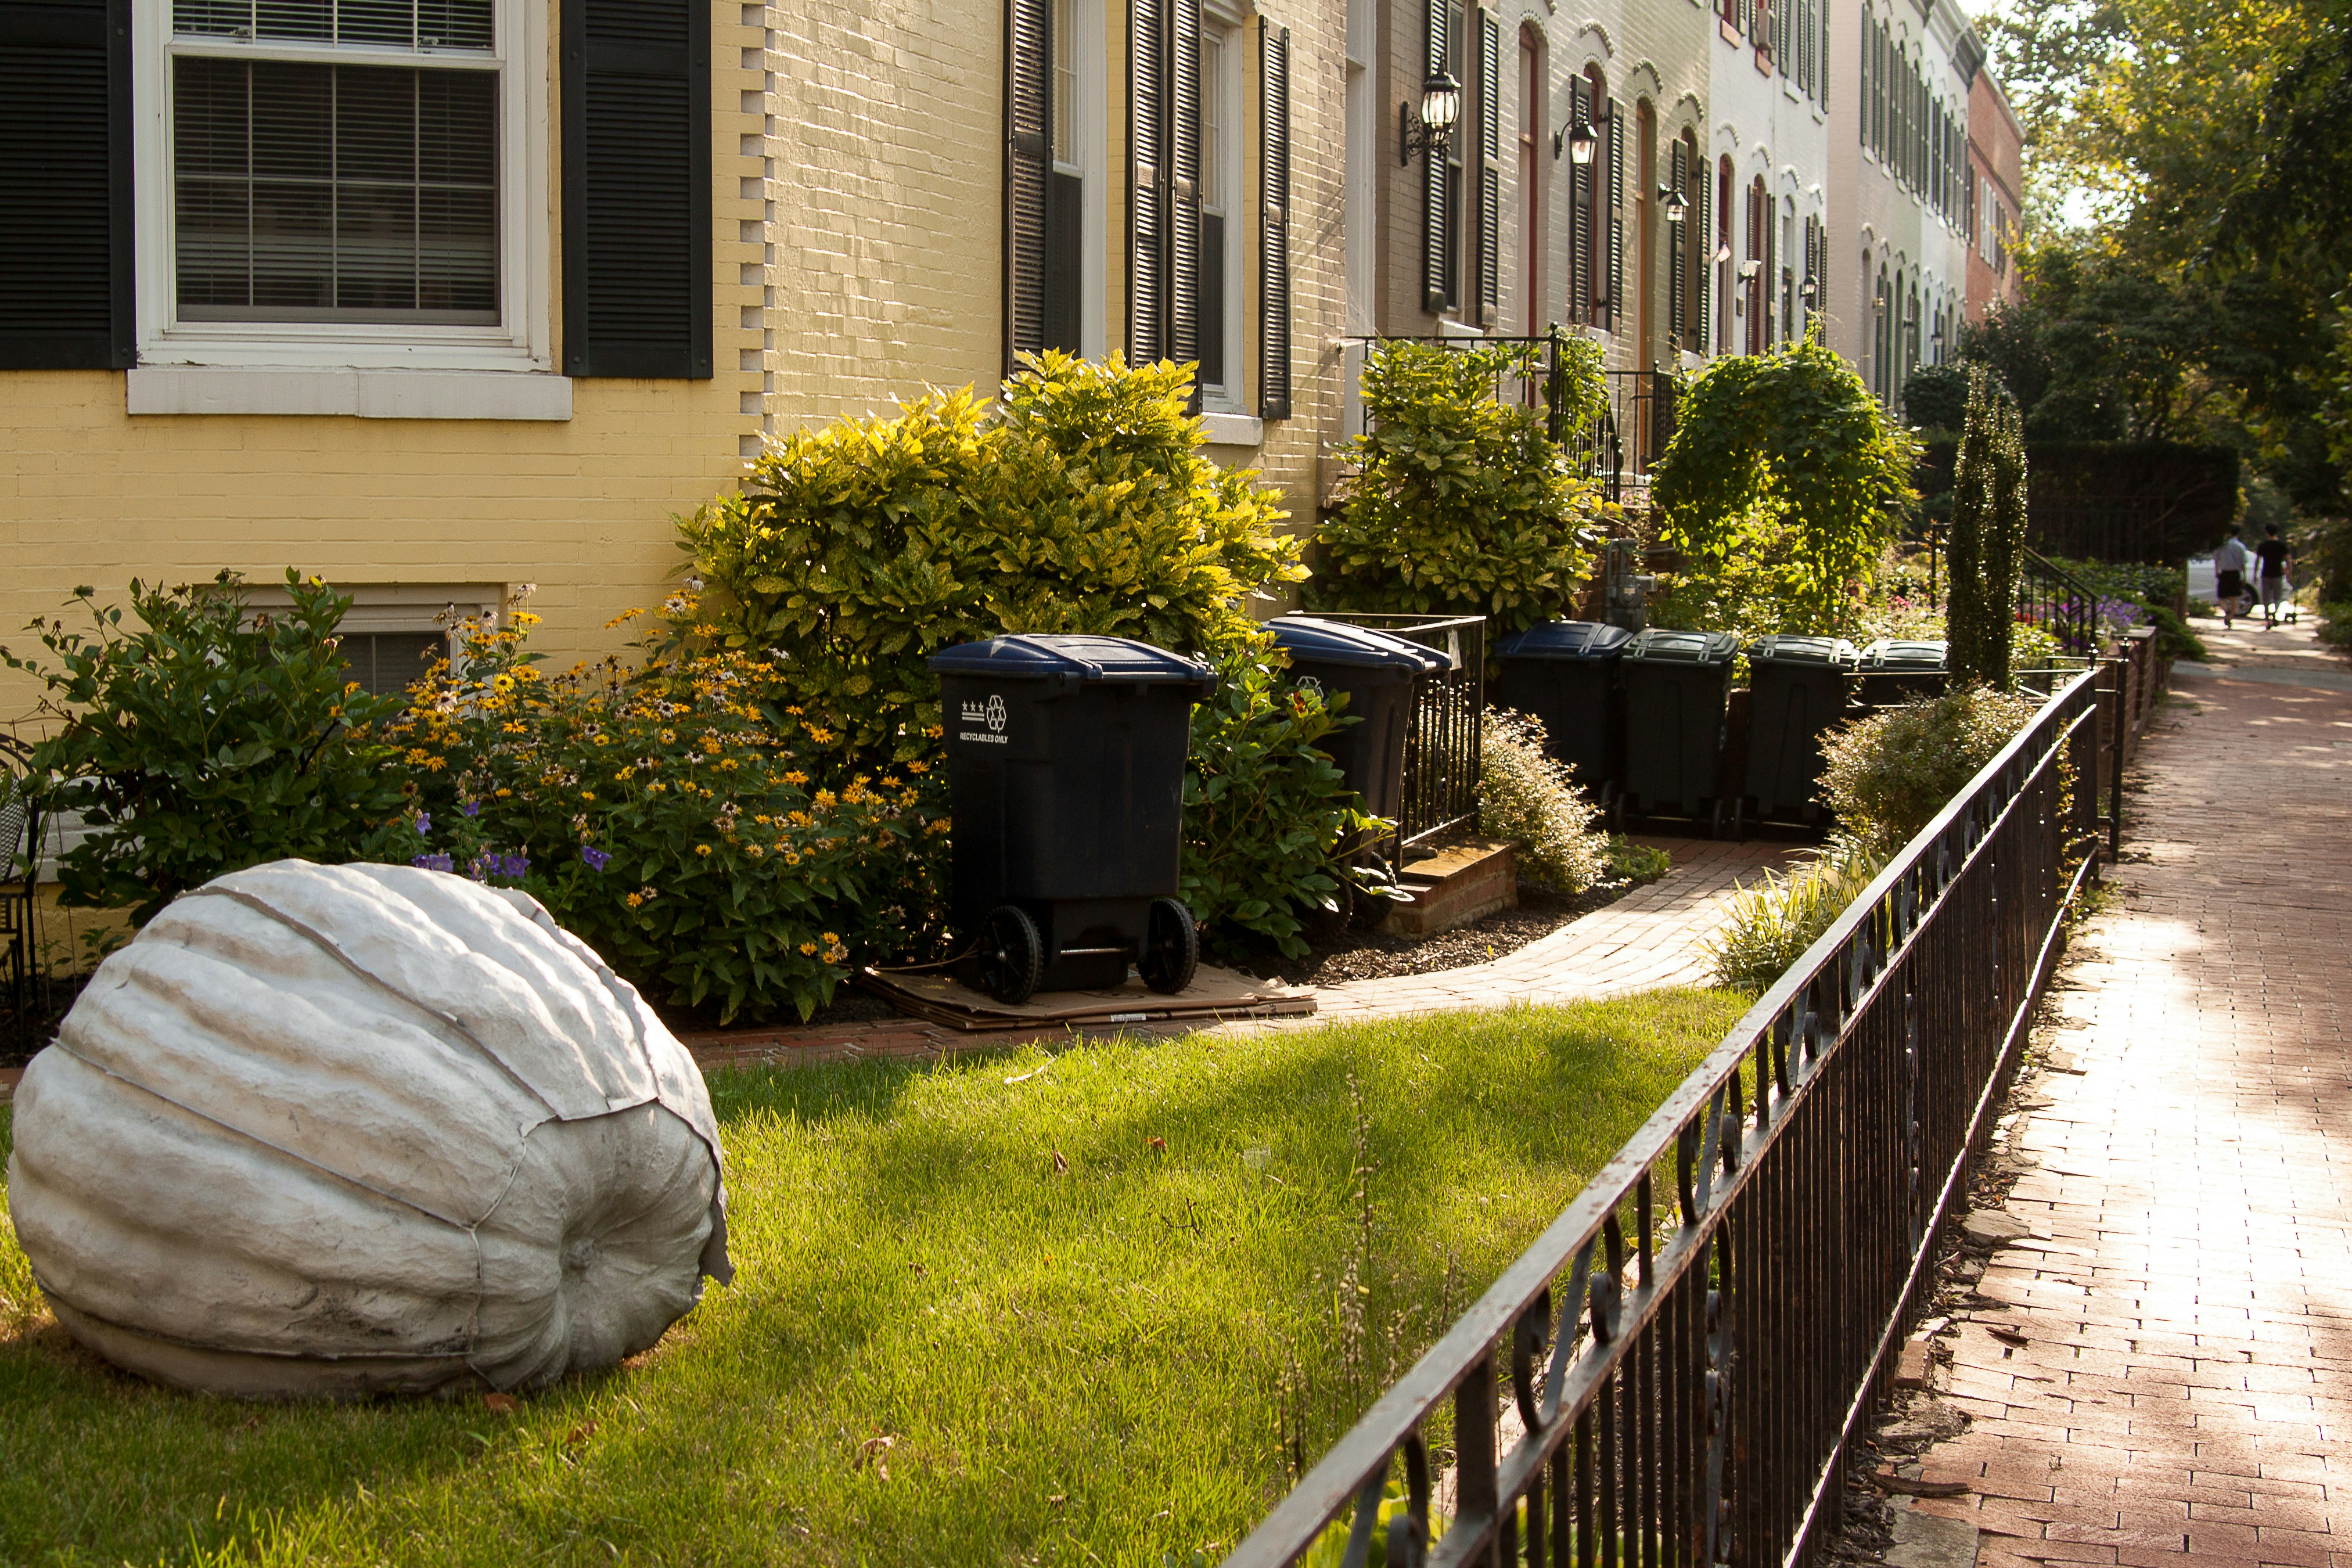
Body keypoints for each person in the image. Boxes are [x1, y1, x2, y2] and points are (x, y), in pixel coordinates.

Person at [2255, 523, 2295, 628]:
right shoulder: (2282, 545)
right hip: (2278, 575)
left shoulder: (2263, 545)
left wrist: (2255, 574)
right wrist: (2289, 574)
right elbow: (2289, 561)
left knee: (2266, 599)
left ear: (2267, 532)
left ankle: (2268, 619)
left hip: (2266, 574)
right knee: (2277, 597)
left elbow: (2257, 560)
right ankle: (2275, 614)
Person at [2214, 527, 2250, 628]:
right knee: (2233, 596)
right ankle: (2231, 616)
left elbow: (2216, 559)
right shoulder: (2240, 546)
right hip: (2235, 573)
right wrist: (2244, 577)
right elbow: (2243, 564)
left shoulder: (2222, 545)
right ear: (2238, 533)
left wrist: (2217, 570)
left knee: (2221, 597)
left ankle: (2226, 610)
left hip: (2224, 573)